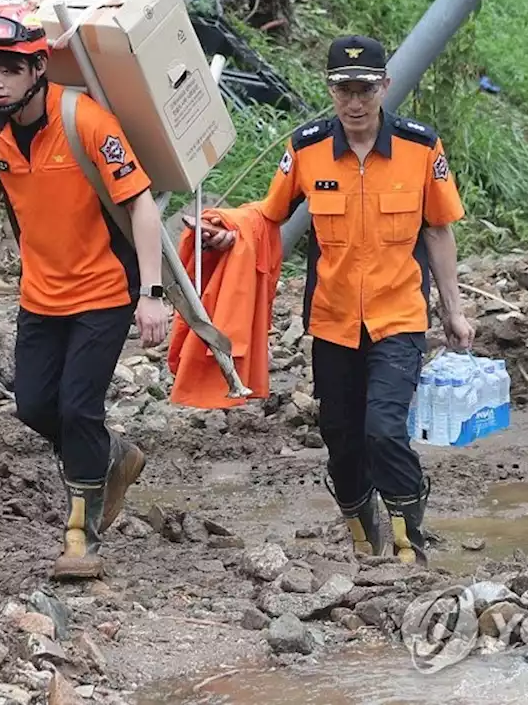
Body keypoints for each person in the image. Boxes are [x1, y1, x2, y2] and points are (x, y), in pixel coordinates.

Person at [0, 5, 170, 580]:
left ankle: (81, 535)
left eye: (7, 69)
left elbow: (140, 204)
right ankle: (112, 456)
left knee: (77, 408)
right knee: (33, 405)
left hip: (104, 290)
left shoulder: (86, 121)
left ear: (37, 67)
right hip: (41, 295)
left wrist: (151, 292)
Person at [198, 35, 474, 564]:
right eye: (343, 89)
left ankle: (406, 537)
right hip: (333, 320)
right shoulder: (306, 147)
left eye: (364, 89)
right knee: (342, 437)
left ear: (384, 87)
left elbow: (438, 230)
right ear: (330, 89)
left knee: (385, 430)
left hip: (399, 315)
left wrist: (454, 310)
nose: (354, 101)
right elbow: (268, 214)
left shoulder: (420, 147)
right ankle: (358, 519)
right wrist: (228, 229)